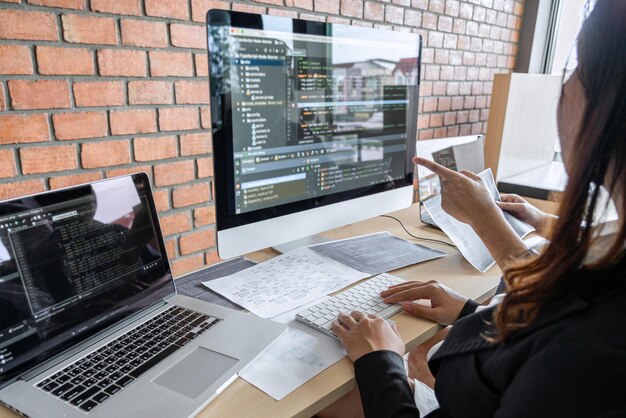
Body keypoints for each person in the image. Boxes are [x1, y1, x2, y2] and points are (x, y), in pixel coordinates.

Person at [320, 0, 626, 416]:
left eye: (576, 71)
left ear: (608, 105)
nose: (564, 88)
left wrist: (381, 361)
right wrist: (472, 312)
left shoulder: (590, 354)